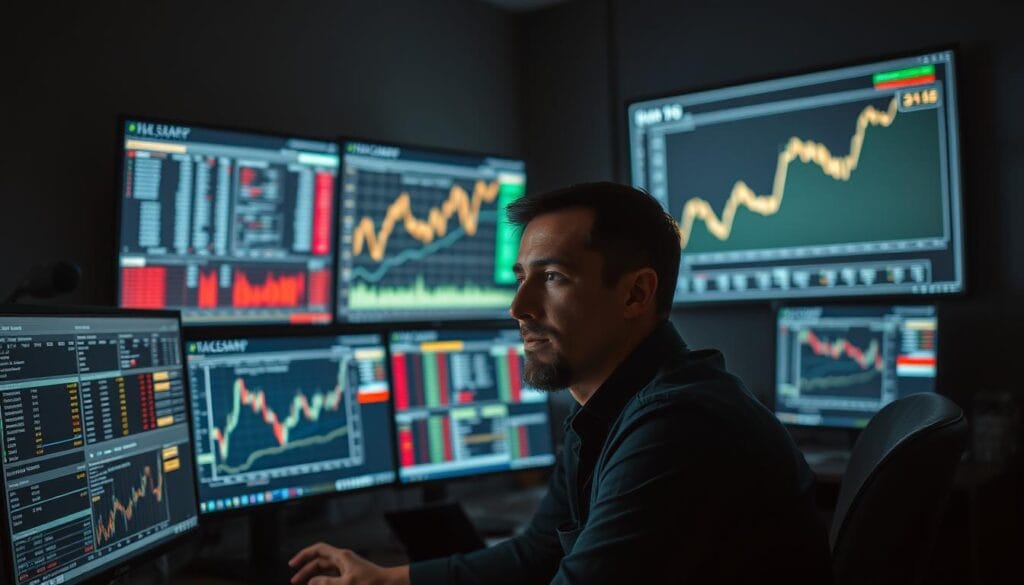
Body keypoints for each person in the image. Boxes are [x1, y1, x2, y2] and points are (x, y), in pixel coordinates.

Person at [289, 182, 833, 584]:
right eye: (522, 278)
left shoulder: (677, 427)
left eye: (552, 278)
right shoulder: (608, 410)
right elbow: (538, 553)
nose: (519, 308)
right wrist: (388, 580)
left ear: (636, 295)